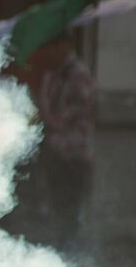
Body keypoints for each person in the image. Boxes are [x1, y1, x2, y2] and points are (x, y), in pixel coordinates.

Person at [35, 36, 96, 248]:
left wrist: (49, 118)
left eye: (53, 47)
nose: (50, 53)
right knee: (56, 204)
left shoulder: (79, 73)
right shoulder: (51, 74)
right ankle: (62, 246)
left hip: (75, 153)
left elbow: (77, 110)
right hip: (55, 152)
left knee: (72, 207)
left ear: (64, 45)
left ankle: (73, 249)